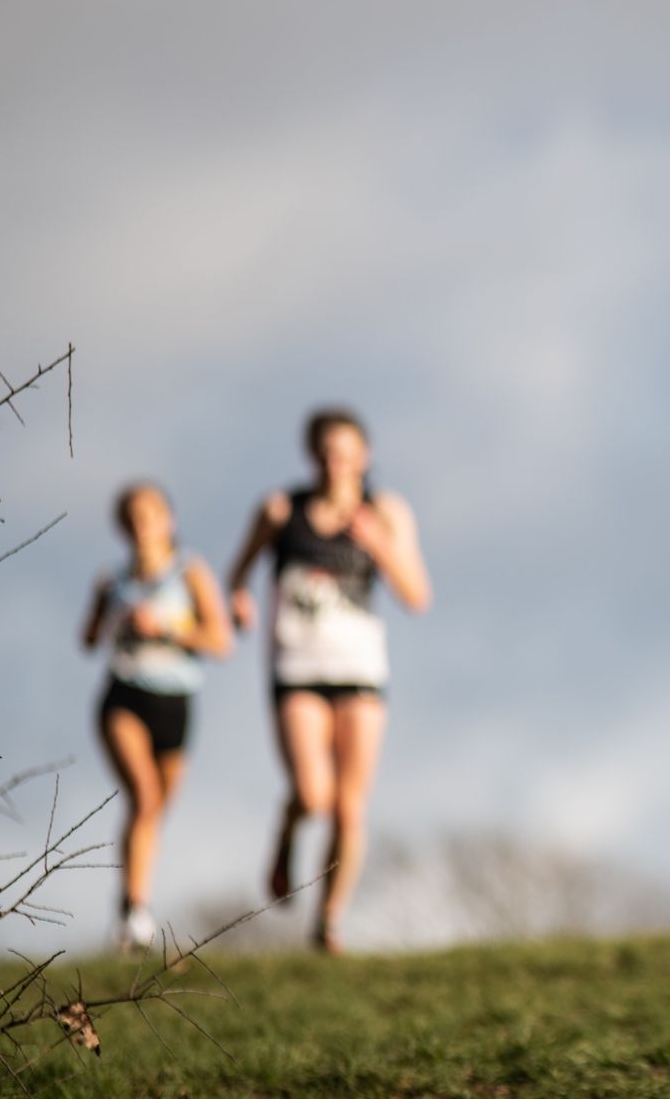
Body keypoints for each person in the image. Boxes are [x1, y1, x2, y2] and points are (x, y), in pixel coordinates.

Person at [224, 408, 430, 954]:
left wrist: (378, 544)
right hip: (297, 669)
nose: (335, 462)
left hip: (360, 670)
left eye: (345, 452)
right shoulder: (280, 510)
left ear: (364, 456)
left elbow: (416, 595)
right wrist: (239, 600)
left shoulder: (386, 511)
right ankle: (288, 830)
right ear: (311, 455)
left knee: (350, 806)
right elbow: (237, 572)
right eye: (326, 452)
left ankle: (329, 922)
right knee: (314, 794)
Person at [79, 482, 232, 952]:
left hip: (176, 702)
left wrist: (165, 627)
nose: (141, 525)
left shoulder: (190, 571)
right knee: (143, 799)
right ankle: (136, 911)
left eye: (149, 515)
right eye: (131, 518)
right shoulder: (111, 580)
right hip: (124, 696)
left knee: (154, 813)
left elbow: (220, 641)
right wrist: (115, 620)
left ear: (169, 520)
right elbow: (88, 640)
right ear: (122, 527)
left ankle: (129, 907)